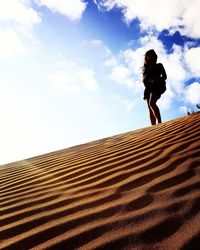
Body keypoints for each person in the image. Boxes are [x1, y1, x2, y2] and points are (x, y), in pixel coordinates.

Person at [142, 49, 167, 125]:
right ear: (147, 57)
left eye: (152, 54)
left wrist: (157, 79)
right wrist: (148, 81)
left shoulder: (159, 65)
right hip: (148, 89)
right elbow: (144, 80)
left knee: (152, 103)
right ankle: (153, 127)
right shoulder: (145, 69)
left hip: (157, 86)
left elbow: (165, 76)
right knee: (150, 109)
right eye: (149, 55)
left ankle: (159, 123)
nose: (151, 56)